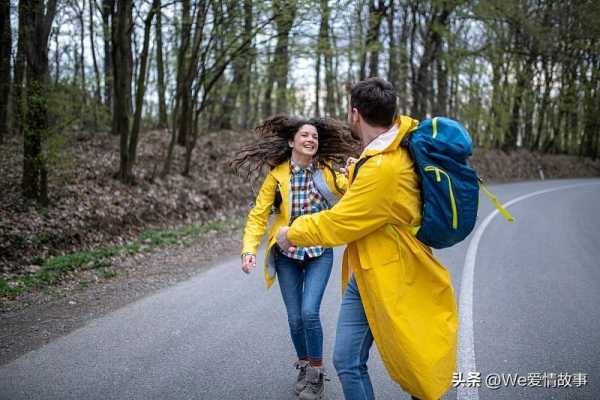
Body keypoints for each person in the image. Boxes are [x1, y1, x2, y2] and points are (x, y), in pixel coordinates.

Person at [277, 78, 458, 400]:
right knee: (347, 360)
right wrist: (352, 179)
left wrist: (291, 232)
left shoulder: (383, 166)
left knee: (413, 361)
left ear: (355, 114)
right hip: (368, 270)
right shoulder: (384, 153)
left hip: (394, 270)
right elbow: (371, 205)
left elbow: (341, 223)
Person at [233, 115, 358, 400]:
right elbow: (258, 215)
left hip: (318, 252)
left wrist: (353, 172)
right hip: (287, 254)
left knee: (309, 312)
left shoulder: (326, 170)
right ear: (292, 141)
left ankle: (316, 374)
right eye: (305, 135)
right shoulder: (276, 176)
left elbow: (349, 190)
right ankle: (304, 365)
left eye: (314, 136)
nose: (310, 139)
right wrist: (249, 250)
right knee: (294, 318)